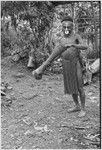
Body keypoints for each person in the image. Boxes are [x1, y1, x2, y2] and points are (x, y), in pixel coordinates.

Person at [32, 16, 88, 117]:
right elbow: (55, 54)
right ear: (61, 27)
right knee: (71, 86)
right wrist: (46, 65)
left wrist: (73, 45)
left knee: (79, 86)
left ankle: (83, 109)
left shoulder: (76, 36)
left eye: (68, 27)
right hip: (66, 65)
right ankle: (77, 106)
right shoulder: (61, 40)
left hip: (76, 64)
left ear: (72, 27)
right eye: (64, 27)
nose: (66, 29)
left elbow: (85, 46)